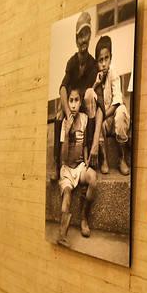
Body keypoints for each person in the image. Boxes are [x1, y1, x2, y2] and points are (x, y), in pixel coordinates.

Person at [54, 11, 104, 180]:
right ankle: (56, 164)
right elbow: (63, 88)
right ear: (76, 40)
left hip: (85, 114)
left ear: (90, 36)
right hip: (72, 108)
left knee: (90, 97)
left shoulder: (93, 65)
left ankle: (89, 157)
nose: (83, 39)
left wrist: (97, 140)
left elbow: (100, 105)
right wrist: (68, 113)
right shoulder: (72, 62)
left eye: (86, 34)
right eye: (80, 36)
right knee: (58, 116)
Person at [56, 88, 98, 247]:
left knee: (93, 179)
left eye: (76, 100)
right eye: (70, 101)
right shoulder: (65, 123)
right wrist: (66, 134)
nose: (73, 105)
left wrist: (87, 158)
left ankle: (83, 217)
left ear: (81, 102)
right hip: (67, 169)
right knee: (67, 194)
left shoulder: (85, 119)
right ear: (67, 103)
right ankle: (62, 233)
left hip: (80, 167)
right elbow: (63, 157)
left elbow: (85, 144)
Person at [93, 35, 131, 175]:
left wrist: (104, 115)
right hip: (105, 123)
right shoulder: (96, 75)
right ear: (96, 62)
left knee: (121, 112)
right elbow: (92, 100)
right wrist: (96, 83)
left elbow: (117, 100)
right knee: (99, 121)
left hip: (113, 116)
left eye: (106, 58)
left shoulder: (113, 71)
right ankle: (104, 159)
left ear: (111, 57)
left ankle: (121, 158)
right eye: (100, 60)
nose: (103, 63)